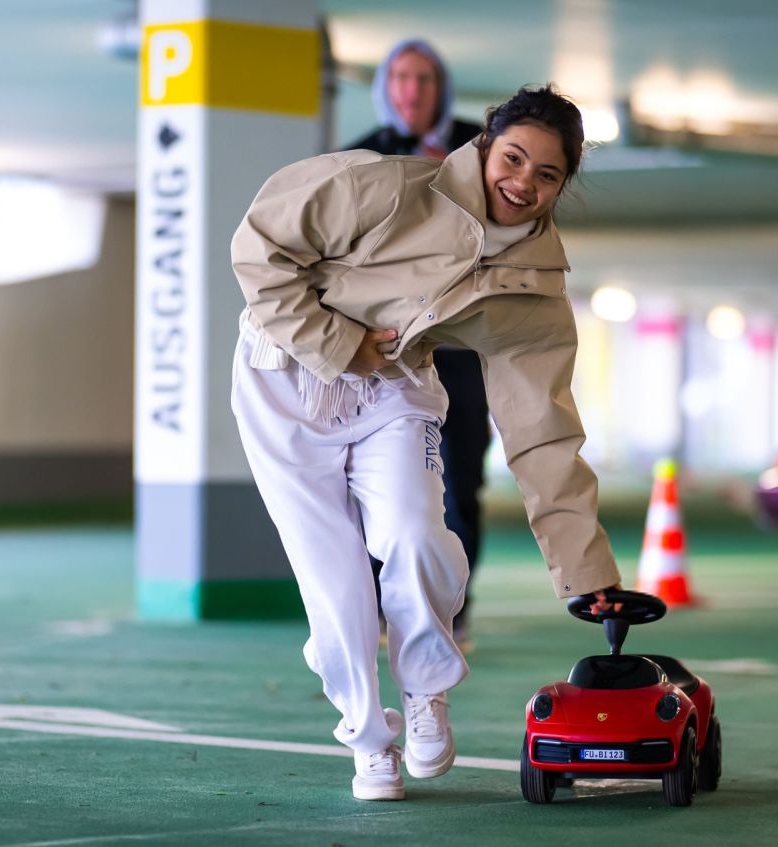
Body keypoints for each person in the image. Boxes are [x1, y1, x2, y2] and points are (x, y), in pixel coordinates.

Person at [229, 85, 622, 802]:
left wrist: (585, 568)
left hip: (394, 384)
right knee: (337, 585)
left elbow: (543, 428)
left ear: (565, 184)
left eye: (547, 174)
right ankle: (368, 740)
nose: (522, 183)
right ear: (484, 146)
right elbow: (257, 249)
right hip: (284, 382)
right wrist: (340, 343)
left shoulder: (533, 286)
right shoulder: (379, 185)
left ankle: (425, 691)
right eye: (513, 158)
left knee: (416, 534)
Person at [341, 39, 488, 650]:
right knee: (382, 477)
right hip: (391, 347)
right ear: (386, 86)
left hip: (457, 343)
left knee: (459, 476)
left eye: (424, 78)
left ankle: (456, 609)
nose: (412, 90)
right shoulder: (367, 151)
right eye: (400, 77)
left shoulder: (478, 149)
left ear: (441, 87)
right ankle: (384, 606)